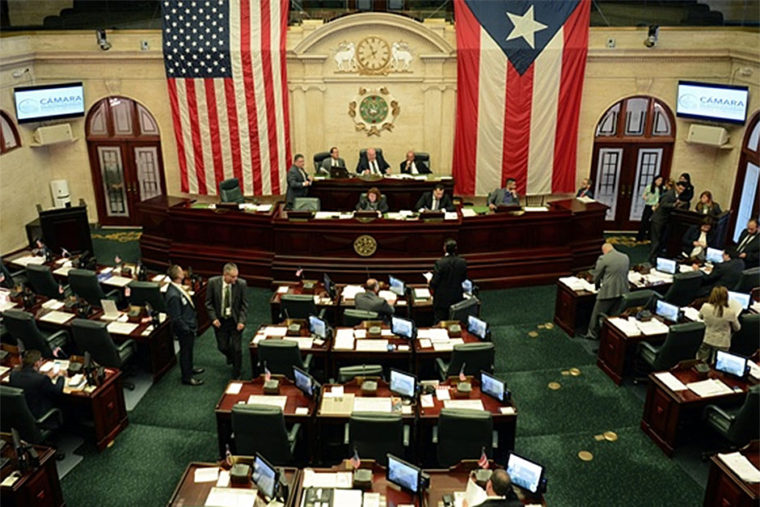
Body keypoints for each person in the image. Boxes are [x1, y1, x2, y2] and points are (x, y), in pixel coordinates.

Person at [205, 263, 248, 379]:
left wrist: (242, 321)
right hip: (220, 321)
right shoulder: (213, 283)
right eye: (233, 277)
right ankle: (232, 358)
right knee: (222, 347)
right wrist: (213, 318)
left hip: (235, 321)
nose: (235, 279)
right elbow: (208, 303)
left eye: (236, 276)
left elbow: (244, 305)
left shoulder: (241, 284)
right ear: (225, 275)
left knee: (237, 349)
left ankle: (237, 372)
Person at [165, 264, 204, 386]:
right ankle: (187, 377)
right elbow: (176, 317)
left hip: (189, 324)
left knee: (189, 350)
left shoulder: (177, 288)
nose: (184, 272)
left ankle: (190, 368)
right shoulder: (173, 295)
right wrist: (186, 329)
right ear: (177, 275)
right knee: (185, 352)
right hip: (185, 328)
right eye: (182, 271)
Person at [583, 243, 630, 340]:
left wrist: (594, 282)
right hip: (623, 290)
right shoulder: (625, 257)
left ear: (604, 250)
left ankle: (592, 334)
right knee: (614, 315)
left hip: (608, 291)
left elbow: (597, 275)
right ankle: (610, 336)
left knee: (597, 313)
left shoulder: (603, 258)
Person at [9, 349, 64, 423]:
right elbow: (57, 391)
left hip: (21, 414)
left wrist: (46, 376)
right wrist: (61, 377)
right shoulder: (41, 379)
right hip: (39, 414)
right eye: (41, 360)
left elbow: (30, 379)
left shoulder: (13, 374)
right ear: (37, 363)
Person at [697, 286, 740, 362]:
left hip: (707, 339)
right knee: (716, 365)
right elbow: (737, 328)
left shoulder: (705, 306)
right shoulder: (730, 312)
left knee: (701, 362)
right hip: (723, 343)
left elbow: (700, 317)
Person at [430, 239, 468, 323]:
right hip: (457, 296)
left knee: (440, 321)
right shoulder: (462, 262)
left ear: (444, 248)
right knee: (455, 321)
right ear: (456, 249)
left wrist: (429, 282)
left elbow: (434, 282)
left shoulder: (440, 263)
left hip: (442, 299)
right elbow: (464, 278)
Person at [648, 182, 679, 264]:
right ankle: (651, 258)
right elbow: (663, 204)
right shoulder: (669, 194)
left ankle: (655, 257)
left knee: (659, 240)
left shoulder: (675, 195)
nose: (681, 191)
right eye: (680, 188)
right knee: (656, 240)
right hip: (658, 219)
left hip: (664, 220)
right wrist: (674, 205)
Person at [636, 174, 664, 242]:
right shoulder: (649, 187)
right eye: (658, 180)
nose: (659, 182)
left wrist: (656, 205)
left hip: (656, 207)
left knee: (653, 222)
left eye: (661, 181)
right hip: (649, 206)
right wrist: (647, 199)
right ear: (655, 180)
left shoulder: (661, 189)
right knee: (644, 221)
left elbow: (660, 198)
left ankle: (650, 236)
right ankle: (640, 237)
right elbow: (644, 195)